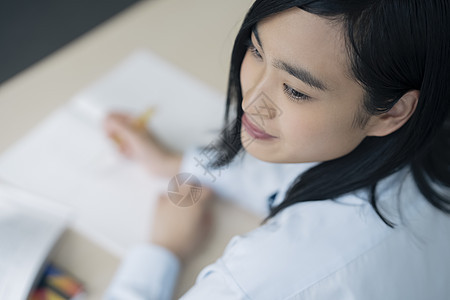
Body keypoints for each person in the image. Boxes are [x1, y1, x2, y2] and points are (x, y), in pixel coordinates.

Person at [103, 0, 450, 299]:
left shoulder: (264, 280)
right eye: (256, 51)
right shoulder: (427, 129)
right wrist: (176, 162)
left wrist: (162, 251)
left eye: (296, 91)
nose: (252, 102)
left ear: (392, 111)